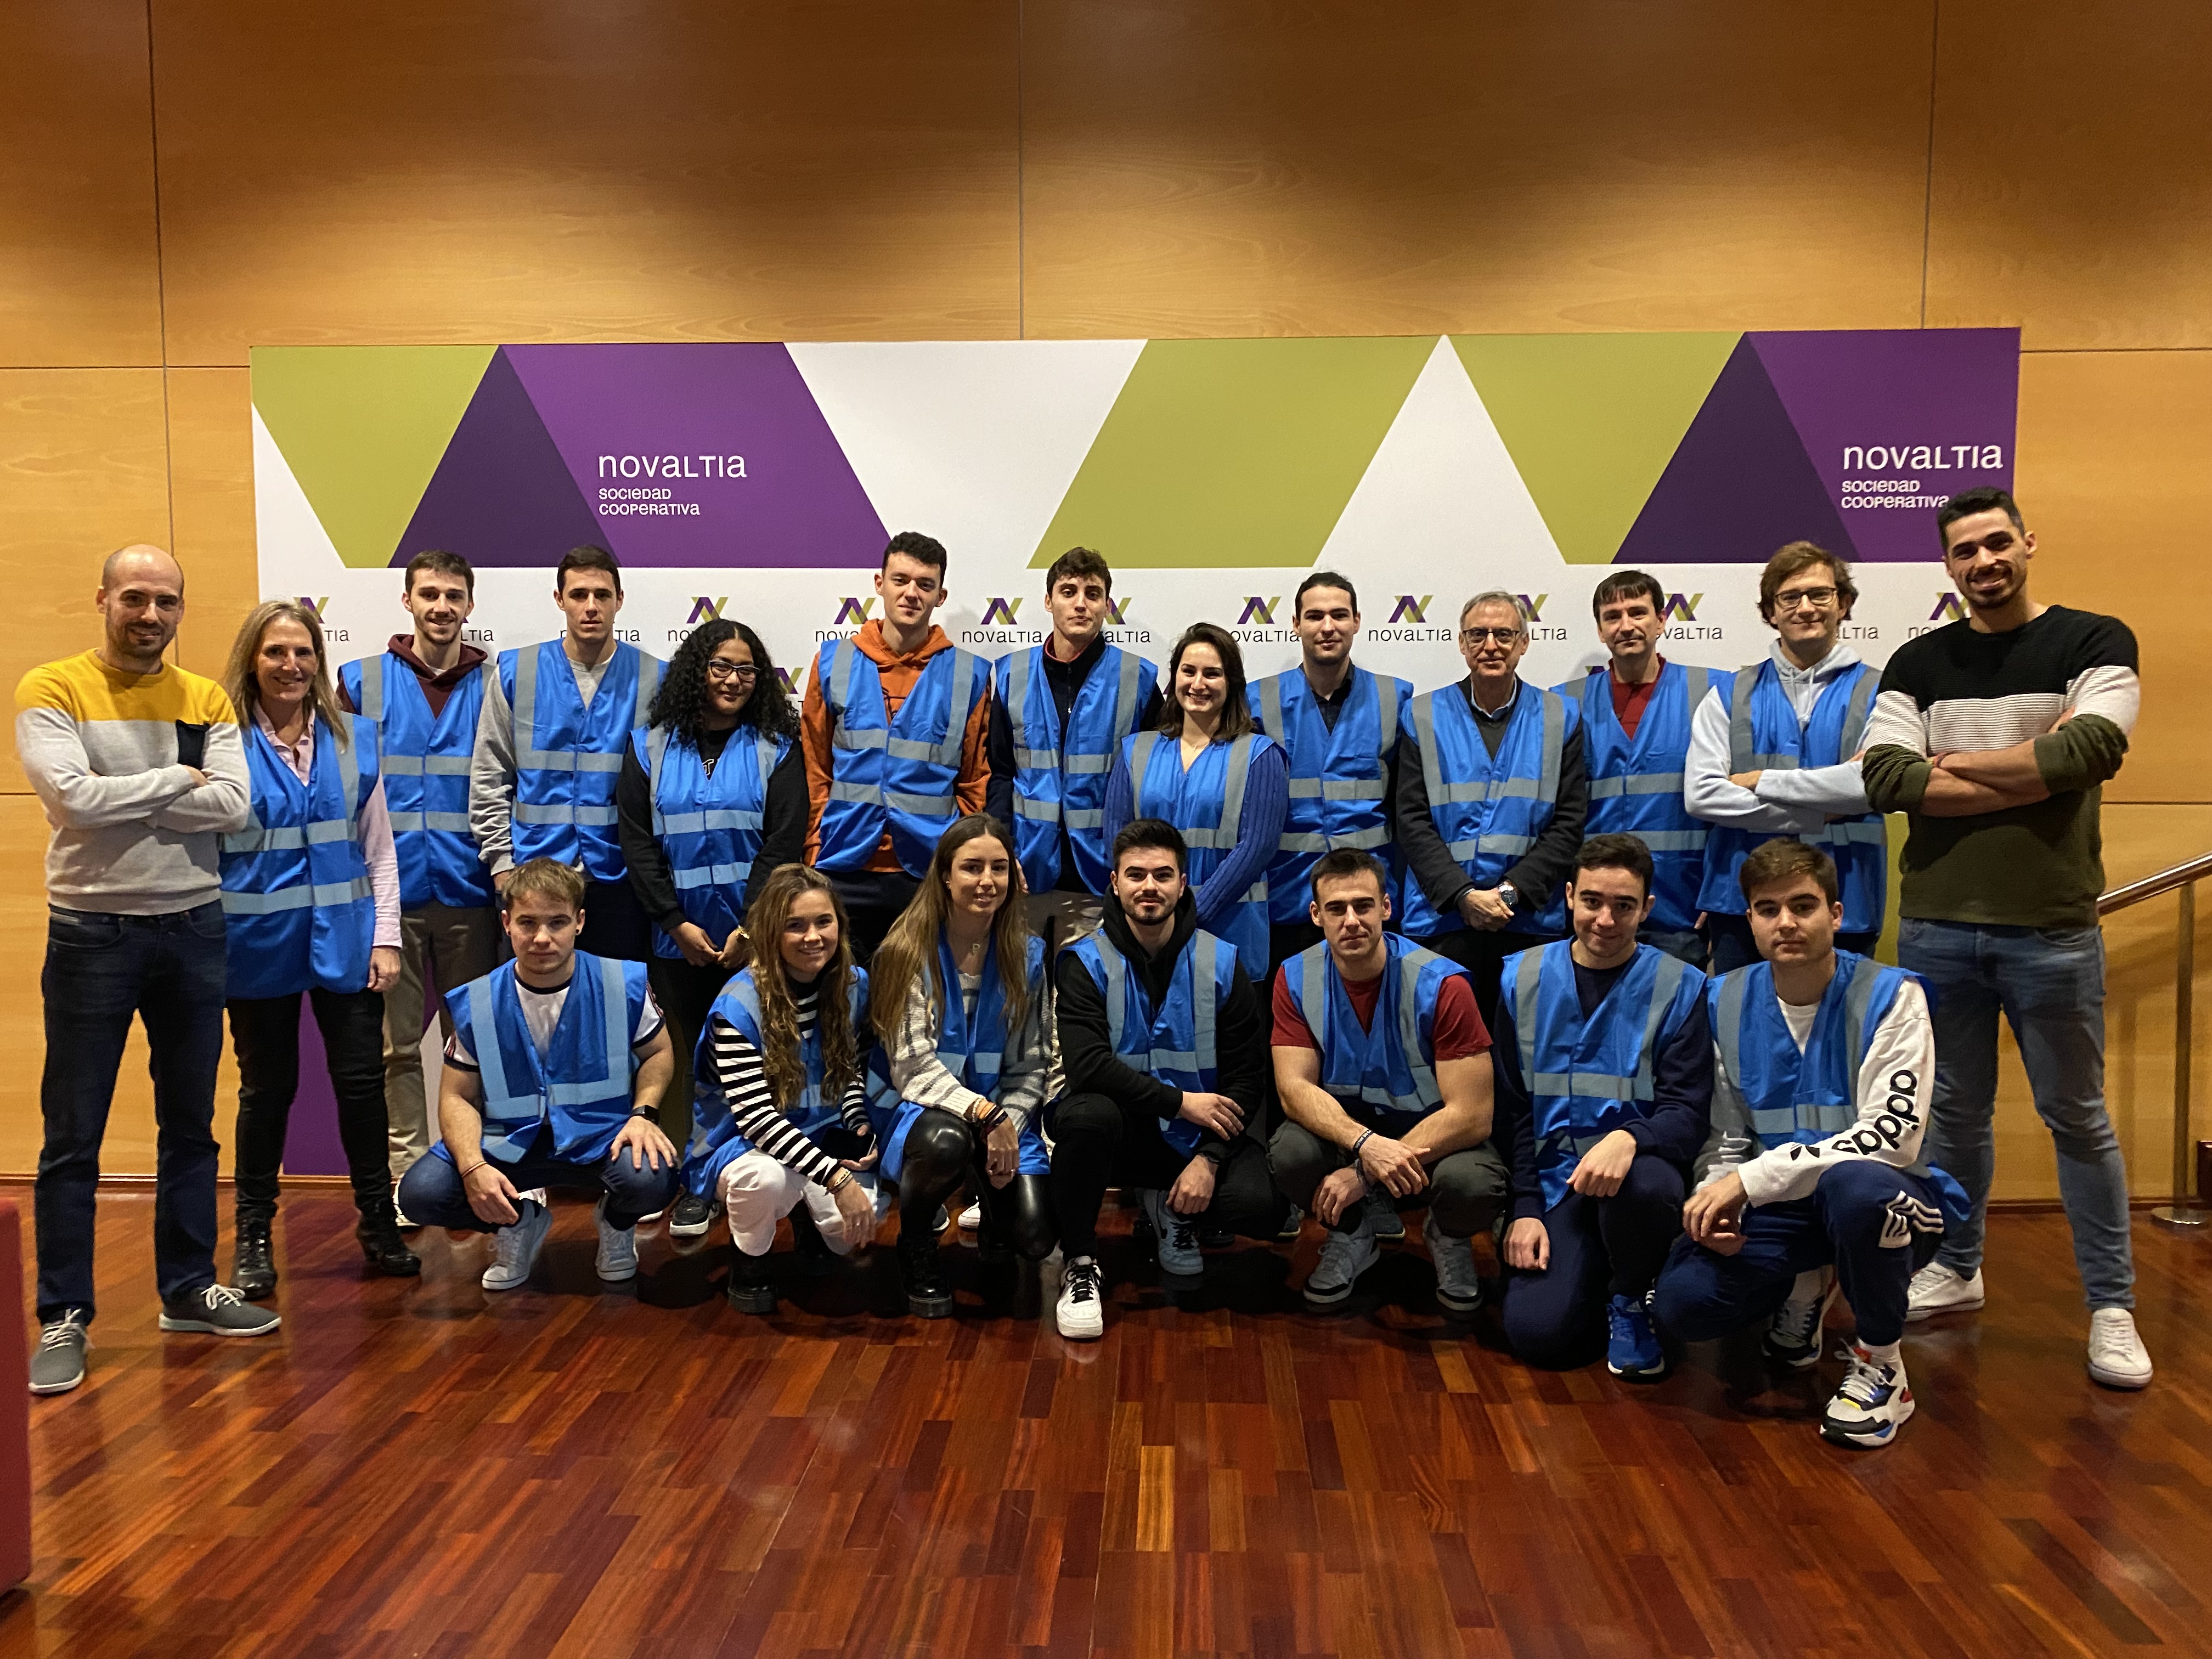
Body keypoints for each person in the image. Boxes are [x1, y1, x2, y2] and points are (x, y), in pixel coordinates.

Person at [1860, 487, 2152, 1390]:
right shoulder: (1915, 659)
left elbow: (2086, 752)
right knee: (1953, 1113)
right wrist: (2031, 765)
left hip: (2052, 927)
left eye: (1996, 543)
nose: (1982, 561)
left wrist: (1953, 763)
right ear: (1946, 565)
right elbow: (1885, 777)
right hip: (1940, 925)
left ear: (2027, 542)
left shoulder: (2094, 640)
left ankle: (2110, 1304)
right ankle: (1956, 1264)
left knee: (2078, 1118)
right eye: (1963, 550)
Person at [18, 545, 270, 1393]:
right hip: (90, 934)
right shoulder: (51, 689)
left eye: (166, 601)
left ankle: (189, 1288)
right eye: (135, 597)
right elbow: (68, 800)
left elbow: (235, 807)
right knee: (73, 1137)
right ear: (103, 600)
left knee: (192, 1126)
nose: (150, 614)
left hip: (193, 928)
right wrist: (174, 777)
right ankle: (63, 1317)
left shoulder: (205, 697)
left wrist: (120, 786)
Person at [1652, 839, 1963, 1449]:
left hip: (1891, 1199)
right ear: (1750, 921)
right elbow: (1726, 1132)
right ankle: (1804, 1286)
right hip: (1784, 1206)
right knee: (1682, 1305)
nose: (1786, 923)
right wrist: (1719, 1195)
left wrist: (1752, 1182)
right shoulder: (1724, 998)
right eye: (1768, 910)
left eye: (1803, 905)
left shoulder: (1893, 996)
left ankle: (1883, 1365)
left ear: (1837, 915)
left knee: (1858, 1190)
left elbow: (1892, 1139)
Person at [220, 600, 417, 1297]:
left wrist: (386, 939)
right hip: (255, 949)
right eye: (276, 652)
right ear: (252, 660)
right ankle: (252, 1237)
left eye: (303, 652)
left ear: (319, 660)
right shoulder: (221, 743)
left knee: (362, 1089)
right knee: (266, 1092)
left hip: (348, 943)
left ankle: (376, 1223)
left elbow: (380, 851)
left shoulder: (354, 740)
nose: (291, 665)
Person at [1048, 820, 1286, 1340]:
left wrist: (1209, 1158)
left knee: (1262, 1207)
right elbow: (1088, 1067)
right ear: (1114, 882)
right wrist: (1180, 1104)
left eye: (1162, 874)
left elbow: (1248, 1078)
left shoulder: (1222, 961)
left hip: (1195, 1139)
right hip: (1121, 1133)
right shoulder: (1083, 961)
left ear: (1184, 883)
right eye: (1136, 875)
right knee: (1085, 1115)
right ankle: (1081, 1260)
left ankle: (1172, 1208)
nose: (1148, 886)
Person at [396, 859, 679, 1290]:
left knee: (655, 1179)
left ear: (580, 923)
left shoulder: (623, 982)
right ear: (507, 923)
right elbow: (456, 1096)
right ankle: (519, 1223)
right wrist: (473, 1168)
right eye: (528, 923)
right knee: (421, 1194)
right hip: (509, 1143)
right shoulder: (476, 1001)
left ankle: (617, 1224)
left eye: (557, 922)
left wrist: (643, 1114)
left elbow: (658, 1052)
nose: (542, 938)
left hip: (599, 1137)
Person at [1495, 834, 1711, 1380]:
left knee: (1650, 1186)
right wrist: (1523, 1207)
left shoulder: (1682, 988)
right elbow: (1514, 1109)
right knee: (1539, 1337)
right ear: (1569, 896)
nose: (1605, 920)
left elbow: (1688, 1115)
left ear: (1648, 909)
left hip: (1637, 1183)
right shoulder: (1519, 979)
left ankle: (1631, 1296)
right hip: (1555, 1185)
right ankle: (1595, 1275)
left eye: (1624, 906)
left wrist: (1632, 1137)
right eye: (1593, 901)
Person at [619, 618, 805, 1238]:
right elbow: (637, 842)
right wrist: (674, 924)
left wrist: (754, 926)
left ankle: (757, 1179)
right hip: (678, 943)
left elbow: (784, 840)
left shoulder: (776, 744)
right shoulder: (650, 744)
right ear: (697, 670)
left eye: (747, 670)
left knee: (752, 1068)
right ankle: (693, 1183)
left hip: (754, 943)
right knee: (681, 1066)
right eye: (721, 667)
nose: (733, 680)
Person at [337, 550, 500, 1223]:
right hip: (388, 900)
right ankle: (409, 1179)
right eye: (429, 593)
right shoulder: (359, 682)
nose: (441, 606)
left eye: (454, 595)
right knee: (395, 1048)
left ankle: (485, 1168)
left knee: (482, 1044)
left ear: (470, 604)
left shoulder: (499, 682)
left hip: (471, 891)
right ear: (407, 601)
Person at [1270, 849, 1505, 1312]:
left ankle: (1448, 1235)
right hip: (1355, 1135)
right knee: (1289, 1152)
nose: (1352, 920)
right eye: (1336, 909)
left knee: (1473, 1185)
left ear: (1387, 908)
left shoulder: (1443, 985)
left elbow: (1474, 1116)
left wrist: (1363, 1173)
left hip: (1434, 1143)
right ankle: (1354, 1235)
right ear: (1316, 915)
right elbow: (1293, 1090)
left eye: (1363, 905)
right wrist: (1365, 1147)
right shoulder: (1294, 977)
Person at [865, 815, 1056, 1316]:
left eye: (998, 868)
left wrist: (1006, 1125)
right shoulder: (904, 951)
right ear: (945, 876)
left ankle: (995, 1216)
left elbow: (1033, 1064)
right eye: (971, 868)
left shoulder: (1029, 954)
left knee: (1035, 1239)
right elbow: (912, 1068)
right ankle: (916, 1243)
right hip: (921, 1114)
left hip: (1001, 1117)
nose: (986, 881)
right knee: (948, 1143)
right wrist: (986, 1118)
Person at [684, 864, 881, 1316]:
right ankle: (749, 1260)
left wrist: (858, 1123)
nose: (813, 937)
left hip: (816, 1133)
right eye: (795, 926)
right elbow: (757, 1121)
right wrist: (837, 1178)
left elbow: (847, 1071)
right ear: (771, 933)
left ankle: (808, 1219)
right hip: (742, 1146)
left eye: (823, 922)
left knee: (850, 1234)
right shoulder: (739, 1005)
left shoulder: (852, 984)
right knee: (768, 1181)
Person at [1685, 542, 1883, 973]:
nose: (1805, 608)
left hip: (1846, 899)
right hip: (1741, 904)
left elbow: (1870, 787)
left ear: (1843, 603)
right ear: (1771, 612)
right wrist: (1820, 813)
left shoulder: (1882, 694)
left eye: (1819, 594)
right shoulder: (1729, 694)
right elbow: (1702, 796)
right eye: (1789, 597)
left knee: (1840, 1031)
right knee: (1741, 1026)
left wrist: (1759, 780)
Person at [1397, 590, 1588, 1023]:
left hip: (1528, 920)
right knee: (1445, 1050)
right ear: (1462, 644)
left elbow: (1570, 822)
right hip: (1442, 921)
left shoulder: (1563, 716)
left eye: (1504, 634)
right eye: (1478, 634)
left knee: (1524, 1051)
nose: (1491, 645)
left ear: (1524, 642)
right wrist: (1463, 896)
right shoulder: (1420, 715)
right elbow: (1410, 820)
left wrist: (1508, 894)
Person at [803, 531, 992, 962]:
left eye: (925, 585)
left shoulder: (970, 673)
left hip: (926, 871)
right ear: (878, 583)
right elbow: (815, 766)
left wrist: (957, 861)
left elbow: (974, 779)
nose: (911, 593)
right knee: (842, 1008)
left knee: (918, 1013)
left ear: (940, 595)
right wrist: (815, 848)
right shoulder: (833, 661)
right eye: (900, 580)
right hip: (842, 863)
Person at [471, 545, 663, 962]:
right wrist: (502, 863)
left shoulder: (654, 677)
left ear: (620, 601)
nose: (591, 607)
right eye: (578, 595)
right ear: (560, 600)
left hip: (619, 879)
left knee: (615, 1005)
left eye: (602, 595)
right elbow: (490, 773)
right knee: (535, 1012)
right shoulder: (517, 671)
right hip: (533, 874)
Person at [986, 545, 1163, 946]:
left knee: (1083, 1004)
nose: (1081, 604)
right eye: (1068, 592)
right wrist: (1001, 852)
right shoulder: (1012, 673)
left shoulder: (1139, 679)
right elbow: (1000, 773)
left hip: (1101, 877)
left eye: (1093, 593)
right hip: (1025, 872)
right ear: (1048, 602)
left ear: (1107, 605)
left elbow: (1153, 784)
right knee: (1017, 1001)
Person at [1558, 571, 1730, 967]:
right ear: (1600, 631)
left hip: (1683, 908)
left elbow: (1733, 807)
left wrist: (1720, 893)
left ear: (1662, 621)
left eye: (1638, 612)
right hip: (1596, 910)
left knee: (1674, 1023)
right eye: (1613, 616)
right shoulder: (1565, 703)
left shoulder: (1714, 692)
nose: (1626, 626)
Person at [1102, 622, 1288, 985]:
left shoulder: (1260, 754)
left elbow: (1257, 847)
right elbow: (1118, 841)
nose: (1198, 684)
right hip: (1147, 931)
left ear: (1232, 683)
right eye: (1188, 671)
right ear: (1175, 679)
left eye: (1212, 674)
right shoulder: (1136, 750)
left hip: (1231, 933)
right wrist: (1156, 914)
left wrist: (1186, 918)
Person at [1252, 572, 1411, 975]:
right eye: (1315, 616)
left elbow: (1409, 810)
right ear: (1295, 624)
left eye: (1339, 615)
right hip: (1286, 903)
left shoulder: (1396, 698)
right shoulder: (1255, 701)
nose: (1327, 627)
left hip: (1368, 906)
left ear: (1357, 621)